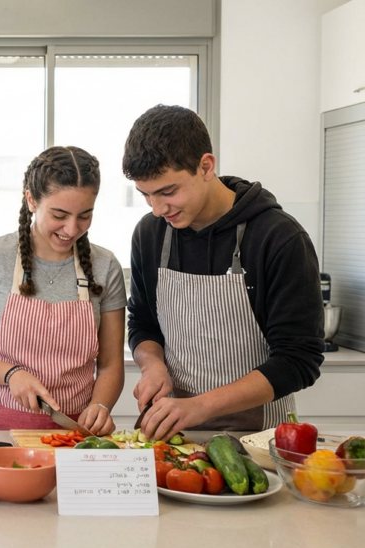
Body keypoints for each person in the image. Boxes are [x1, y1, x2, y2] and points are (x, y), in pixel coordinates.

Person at [125, 105, 324, 440]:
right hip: (173, 434)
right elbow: (143, 322)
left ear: (206, 166)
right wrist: (152, 365)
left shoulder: (278, 238)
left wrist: (201, 406)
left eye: (168, 192)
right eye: (146, 195)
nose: (158, 209)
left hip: (261, 437)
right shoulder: (150, 234)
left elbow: (298, 359)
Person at [0, 146, 126, 434]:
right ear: (31, 200)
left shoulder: (105, 266)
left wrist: (101, 405)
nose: (71, 229)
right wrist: (11, 374)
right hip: (1, 429)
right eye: (59, 214)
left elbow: (110, 365)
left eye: (84, 215)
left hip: (75, 431)